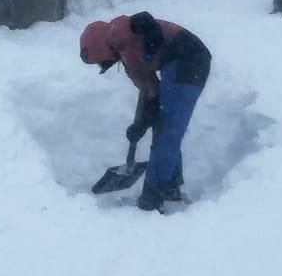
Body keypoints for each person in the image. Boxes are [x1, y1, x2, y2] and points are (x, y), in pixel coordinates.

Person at [78, 11, 213, 212]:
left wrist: (148, 32)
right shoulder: (129, 63)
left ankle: (153, 196)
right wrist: (140, 124)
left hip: (188, 57)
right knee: (162, 126)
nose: (104, 65)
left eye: (100, 61)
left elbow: (141, 21)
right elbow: (151, 92)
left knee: (168, 129)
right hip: (173, 65)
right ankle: (170, 188)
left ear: (99, 47)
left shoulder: (117, 32)